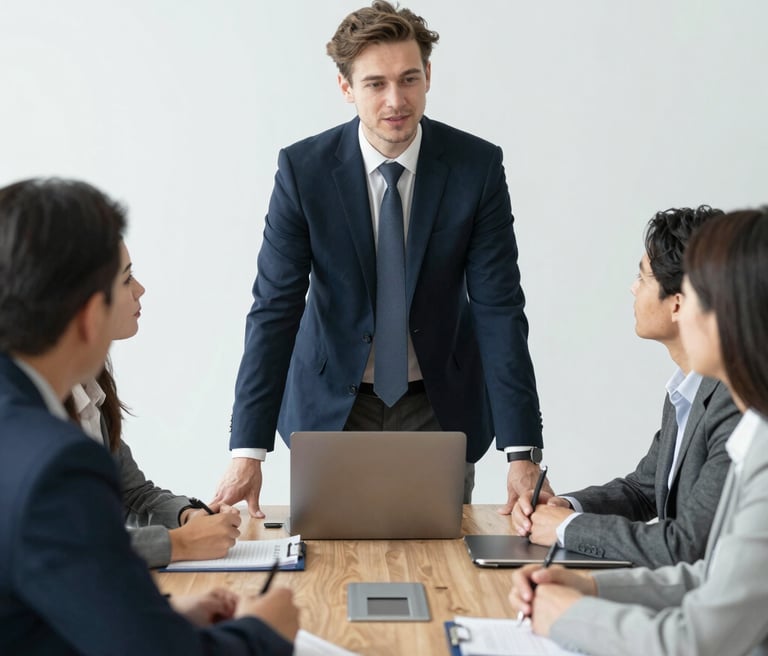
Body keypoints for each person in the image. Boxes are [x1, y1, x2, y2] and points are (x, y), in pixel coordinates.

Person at [213, 0, 545, 518]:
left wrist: (523, 451)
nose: (396, 100)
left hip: (437, 404)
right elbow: (274, 308)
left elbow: (499, 308)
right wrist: (247, 451)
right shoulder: (303, 171)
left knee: (440, 558)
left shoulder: (475, 168)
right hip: (330, 405)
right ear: (346, 88)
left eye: (410, 79)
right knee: (327, 567)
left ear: (429, 76)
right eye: (375, 84)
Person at [0, 178, 297, 654]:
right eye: (125, 279)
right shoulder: (53, 463)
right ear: (87, 314)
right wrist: (265, 630)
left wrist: (159, 616)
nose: (141, 289)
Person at [509, 207, 768, 655]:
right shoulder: (707, 406)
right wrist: (589, 588)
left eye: (697, 296)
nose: (686, 312)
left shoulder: (750, 435)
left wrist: (569, 614)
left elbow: (697, 636)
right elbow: (708, 575)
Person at [66, 242, 242, 568]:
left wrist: (188, 516)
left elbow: (131, 495)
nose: (140, 289)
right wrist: (180, 543)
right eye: (126, 278)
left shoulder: (89, 387)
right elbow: (64, 544)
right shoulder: (26, 408)